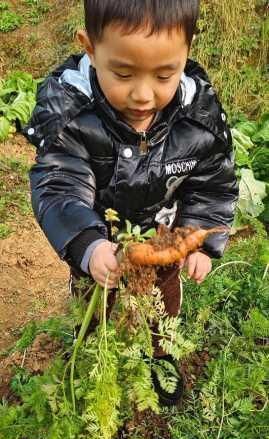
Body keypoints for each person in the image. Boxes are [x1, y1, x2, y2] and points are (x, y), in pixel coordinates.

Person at [23, 0, 238, 406]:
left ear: (187, 53)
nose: (143, 95)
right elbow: (59, 184)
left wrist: (201, 243)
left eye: (164, 74)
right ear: (90, 48)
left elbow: (212, 185)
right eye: (122, 73)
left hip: (162, 241)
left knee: (163, 306)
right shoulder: (71, 113)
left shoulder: (198, 116)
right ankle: (92, 359)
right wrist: (88, 243)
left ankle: (160, 358)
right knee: (95, 306)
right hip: (102, 246)